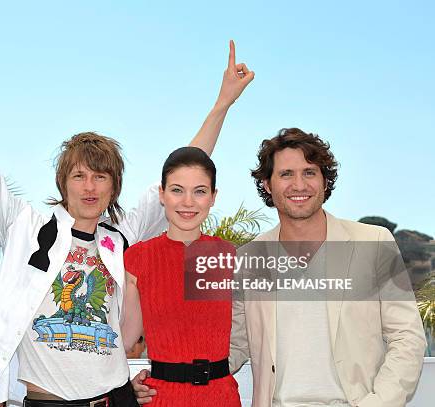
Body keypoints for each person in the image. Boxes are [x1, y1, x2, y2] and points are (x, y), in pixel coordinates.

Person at [0, 16, 254, 407]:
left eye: (100, 177)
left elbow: (185, 172)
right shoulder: (25, 226)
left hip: (113, 400)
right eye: (79, 176)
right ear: (64, 182)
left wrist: (222, 103)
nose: (89, 187)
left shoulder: (120, 235)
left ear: (114, 186)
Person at [134, 128, 427, 406]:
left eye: (309, 173)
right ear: (268, 185)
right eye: (286, 174)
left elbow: (408, 337)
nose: (299, 185)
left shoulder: (374, 242)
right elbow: (233, 345)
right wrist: (161, 375)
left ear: (325, 181)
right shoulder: (248, 258)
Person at [122, 147, 242, 406]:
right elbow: (125, 339)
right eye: (177, 190)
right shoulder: (138, 258)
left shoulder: (229, 257)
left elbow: (254, 334)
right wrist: (125, 386)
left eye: (199, 191)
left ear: (213, 197)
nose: (188, 202)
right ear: (162, 194)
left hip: (221, 398)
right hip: (160, 399)